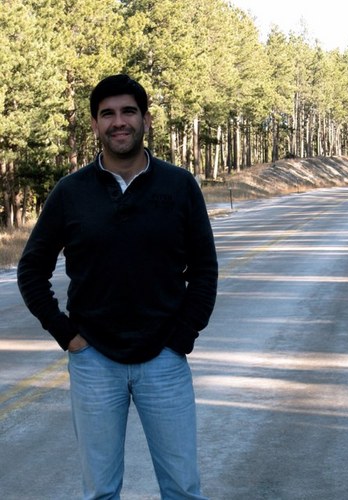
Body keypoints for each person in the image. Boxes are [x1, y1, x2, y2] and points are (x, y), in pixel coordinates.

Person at [17, 74, 218, 499]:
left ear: (146, 119)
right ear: (94, 125)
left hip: (164, 360)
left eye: (128, 111)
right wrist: (67, 335)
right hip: (94, 363)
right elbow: (31, 270)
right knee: (101, 492)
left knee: (183, 488)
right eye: (107, 114)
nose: (118, 122)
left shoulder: (179, 186)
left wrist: (182, 336)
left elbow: (204, 269)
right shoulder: (70, 193)